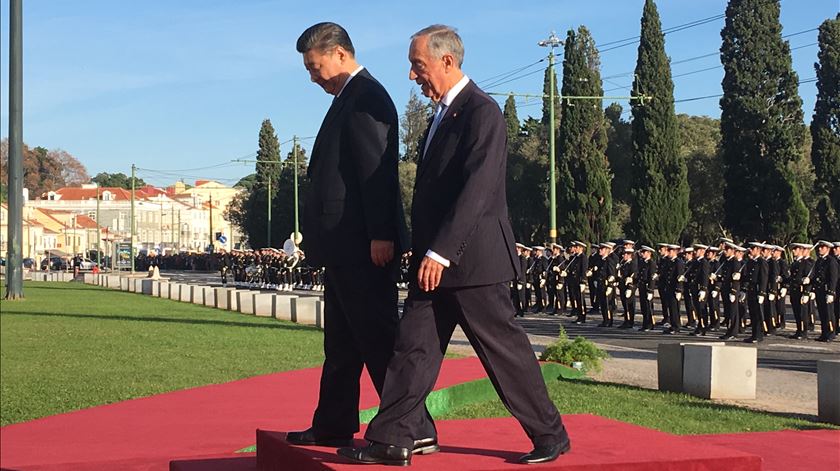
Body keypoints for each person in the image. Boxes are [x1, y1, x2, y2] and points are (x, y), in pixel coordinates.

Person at [337, 25, 570, 466]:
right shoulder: (439, 117)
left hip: (471, 263)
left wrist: (441, 251)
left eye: (417, 65)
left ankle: (550, 434)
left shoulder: (482, 112)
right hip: (434, 263)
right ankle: (392, 438)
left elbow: (477, 192)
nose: (411, 75)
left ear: (447, 61)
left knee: (504, 354)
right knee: (412, 350)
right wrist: (428, 253)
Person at [284, 22, 409, 449]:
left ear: (339, 54)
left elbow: (376, 174)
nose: (313, 78)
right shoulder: (348, 98)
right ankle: (333, 423)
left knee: (377, 340)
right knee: (340, 344)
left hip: (363, 245)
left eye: (315, 67)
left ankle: (412, 427)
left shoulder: (366, 97)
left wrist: (381, 233)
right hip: (343, 246)